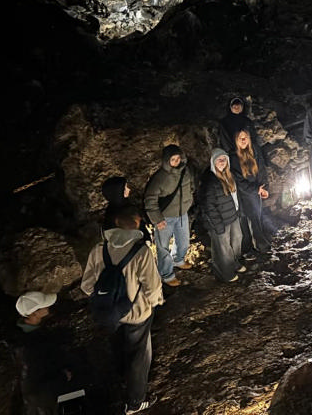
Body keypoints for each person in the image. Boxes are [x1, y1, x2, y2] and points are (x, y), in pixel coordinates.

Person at [81, 205, 163, 414]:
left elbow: (87, 285)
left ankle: (121, 376)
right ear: (137, 224)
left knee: (118, 346)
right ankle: (135, 402)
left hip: (109, 312)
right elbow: (152, 287)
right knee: (139, 356)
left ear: (116, 224)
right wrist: (154, 302)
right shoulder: (141, 251)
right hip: (136, 314)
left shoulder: (99, 249)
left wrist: (104, 299)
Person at [10, 291, 84, 415]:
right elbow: (35, 381)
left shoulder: (23, 334)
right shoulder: (30, 347)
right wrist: (63, 377)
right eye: (44, 306)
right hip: (49, 397)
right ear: (34, 313)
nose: (48, 307)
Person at [143, 145, 195, 287]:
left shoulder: (186, 172)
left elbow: (191, 186)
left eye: (178, 158)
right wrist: (157, 219)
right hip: (165, 217)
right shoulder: (159, 178)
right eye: (173, 159)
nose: (177, 161)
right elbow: (150, 199)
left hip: (182, 213)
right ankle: (166, 274)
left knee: (183, 241)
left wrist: (188, 202)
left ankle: (178, 259)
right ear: (167, 161)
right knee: (163, 247)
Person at [198, 149, 246, 283]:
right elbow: (209, 205)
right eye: (219, 159)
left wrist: (238, 212)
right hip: (220, 220)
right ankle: (225, 273)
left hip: (232, 216)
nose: (222, 162)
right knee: (223, 248)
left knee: (237, 240)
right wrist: (217, 224)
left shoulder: (228, 176)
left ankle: (234, 263)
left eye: (224, 159)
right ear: (213, 162)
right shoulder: (209, 180)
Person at [229, 129, 274, 254]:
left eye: (245, 137)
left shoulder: (255, 152)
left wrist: (264, 188)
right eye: (240, 138)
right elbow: (237, 180)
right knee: (247, 220)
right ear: (236, 141)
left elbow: (262, 170)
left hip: (256, 192)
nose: (243, 140)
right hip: (244, 195)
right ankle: (254, 247)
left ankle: (259, 245)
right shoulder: (233, 158)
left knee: (257, 218)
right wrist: (255, 189)